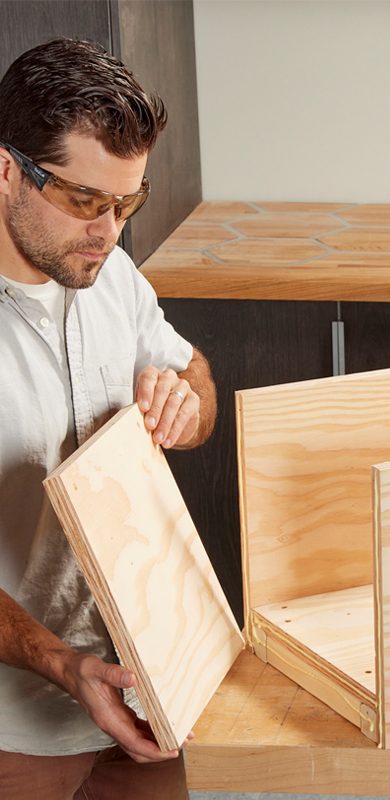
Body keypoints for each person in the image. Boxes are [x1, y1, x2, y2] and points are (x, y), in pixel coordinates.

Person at [0, 38, 216, 799]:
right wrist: (63, 665)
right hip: (18, 730)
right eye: (86, 202)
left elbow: (193, 370)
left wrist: (184, 407)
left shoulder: (109, 272)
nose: (110, 230)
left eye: (128, 203)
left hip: (150, 692)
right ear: (6, 170)